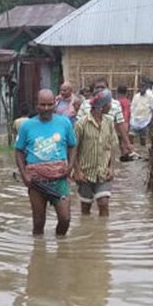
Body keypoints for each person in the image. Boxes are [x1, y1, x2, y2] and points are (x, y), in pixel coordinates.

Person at [15, 89, 78, 236]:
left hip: (60, 180)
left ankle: (61, 250)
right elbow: (18, 151)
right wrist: (24, 175)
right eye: (42, 105)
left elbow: (73, 145)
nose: (46, 108)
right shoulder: (27, 126)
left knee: (65, 219)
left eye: (50, 105)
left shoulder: (64, 123)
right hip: (36, 183)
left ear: (54, 104)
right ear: (37, 105)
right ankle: (38, 254)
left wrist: (70, 167)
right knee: (38, 223)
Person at [73, 89, 117, 217]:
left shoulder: (109, 122)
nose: (111, 106)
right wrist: (77, 171)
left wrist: (111, 167)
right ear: (102, 106)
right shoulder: (81, 124)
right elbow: (73, 149)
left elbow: (112, 146)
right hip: (85, 173)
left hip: (103, 172)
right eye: (109, 103)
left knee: (103, 203)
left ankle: (102, 234)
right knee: (85, 208)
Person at [83, 77, 138, 160]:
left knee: (107, 166)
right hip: (88, 144)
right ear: (93, 90)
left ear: (107, 89)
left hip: (107, 144)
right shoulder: (86, 104)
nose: (100, 89)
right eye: (97, 87)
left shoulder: (115, 104)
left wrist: (127, 144)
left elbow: (120, 124)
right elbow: (78, 124)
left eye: (102, 87)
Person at [130, 82, 153, 147]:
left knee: (143, 137)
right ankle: (131, 148)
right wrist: (132, 116)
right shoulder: (136, 96)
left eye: (143, 88)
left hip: (145, 119)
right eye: (140, 88)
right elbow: (133, 107)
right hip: (135, 119)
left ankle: (142, 148)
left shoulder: (150, 97)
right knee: (131, 135)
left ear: (145, 88)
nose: (141, 89)